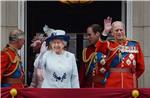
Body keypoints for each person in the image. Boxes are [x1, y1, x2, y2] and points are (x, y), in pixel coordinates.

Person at [96, 17, 145, 88]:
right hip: (112, 82)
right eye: (116, 30)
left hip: (129, 82)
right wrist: (105, 31)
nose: (119, 32)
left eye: (121, 30)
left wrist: (132, 77)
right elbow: (99, 49)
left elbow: (141, 67)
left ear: (124, 31)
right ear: (112, 33)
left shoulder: (134, 45)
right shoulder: (109, 45)